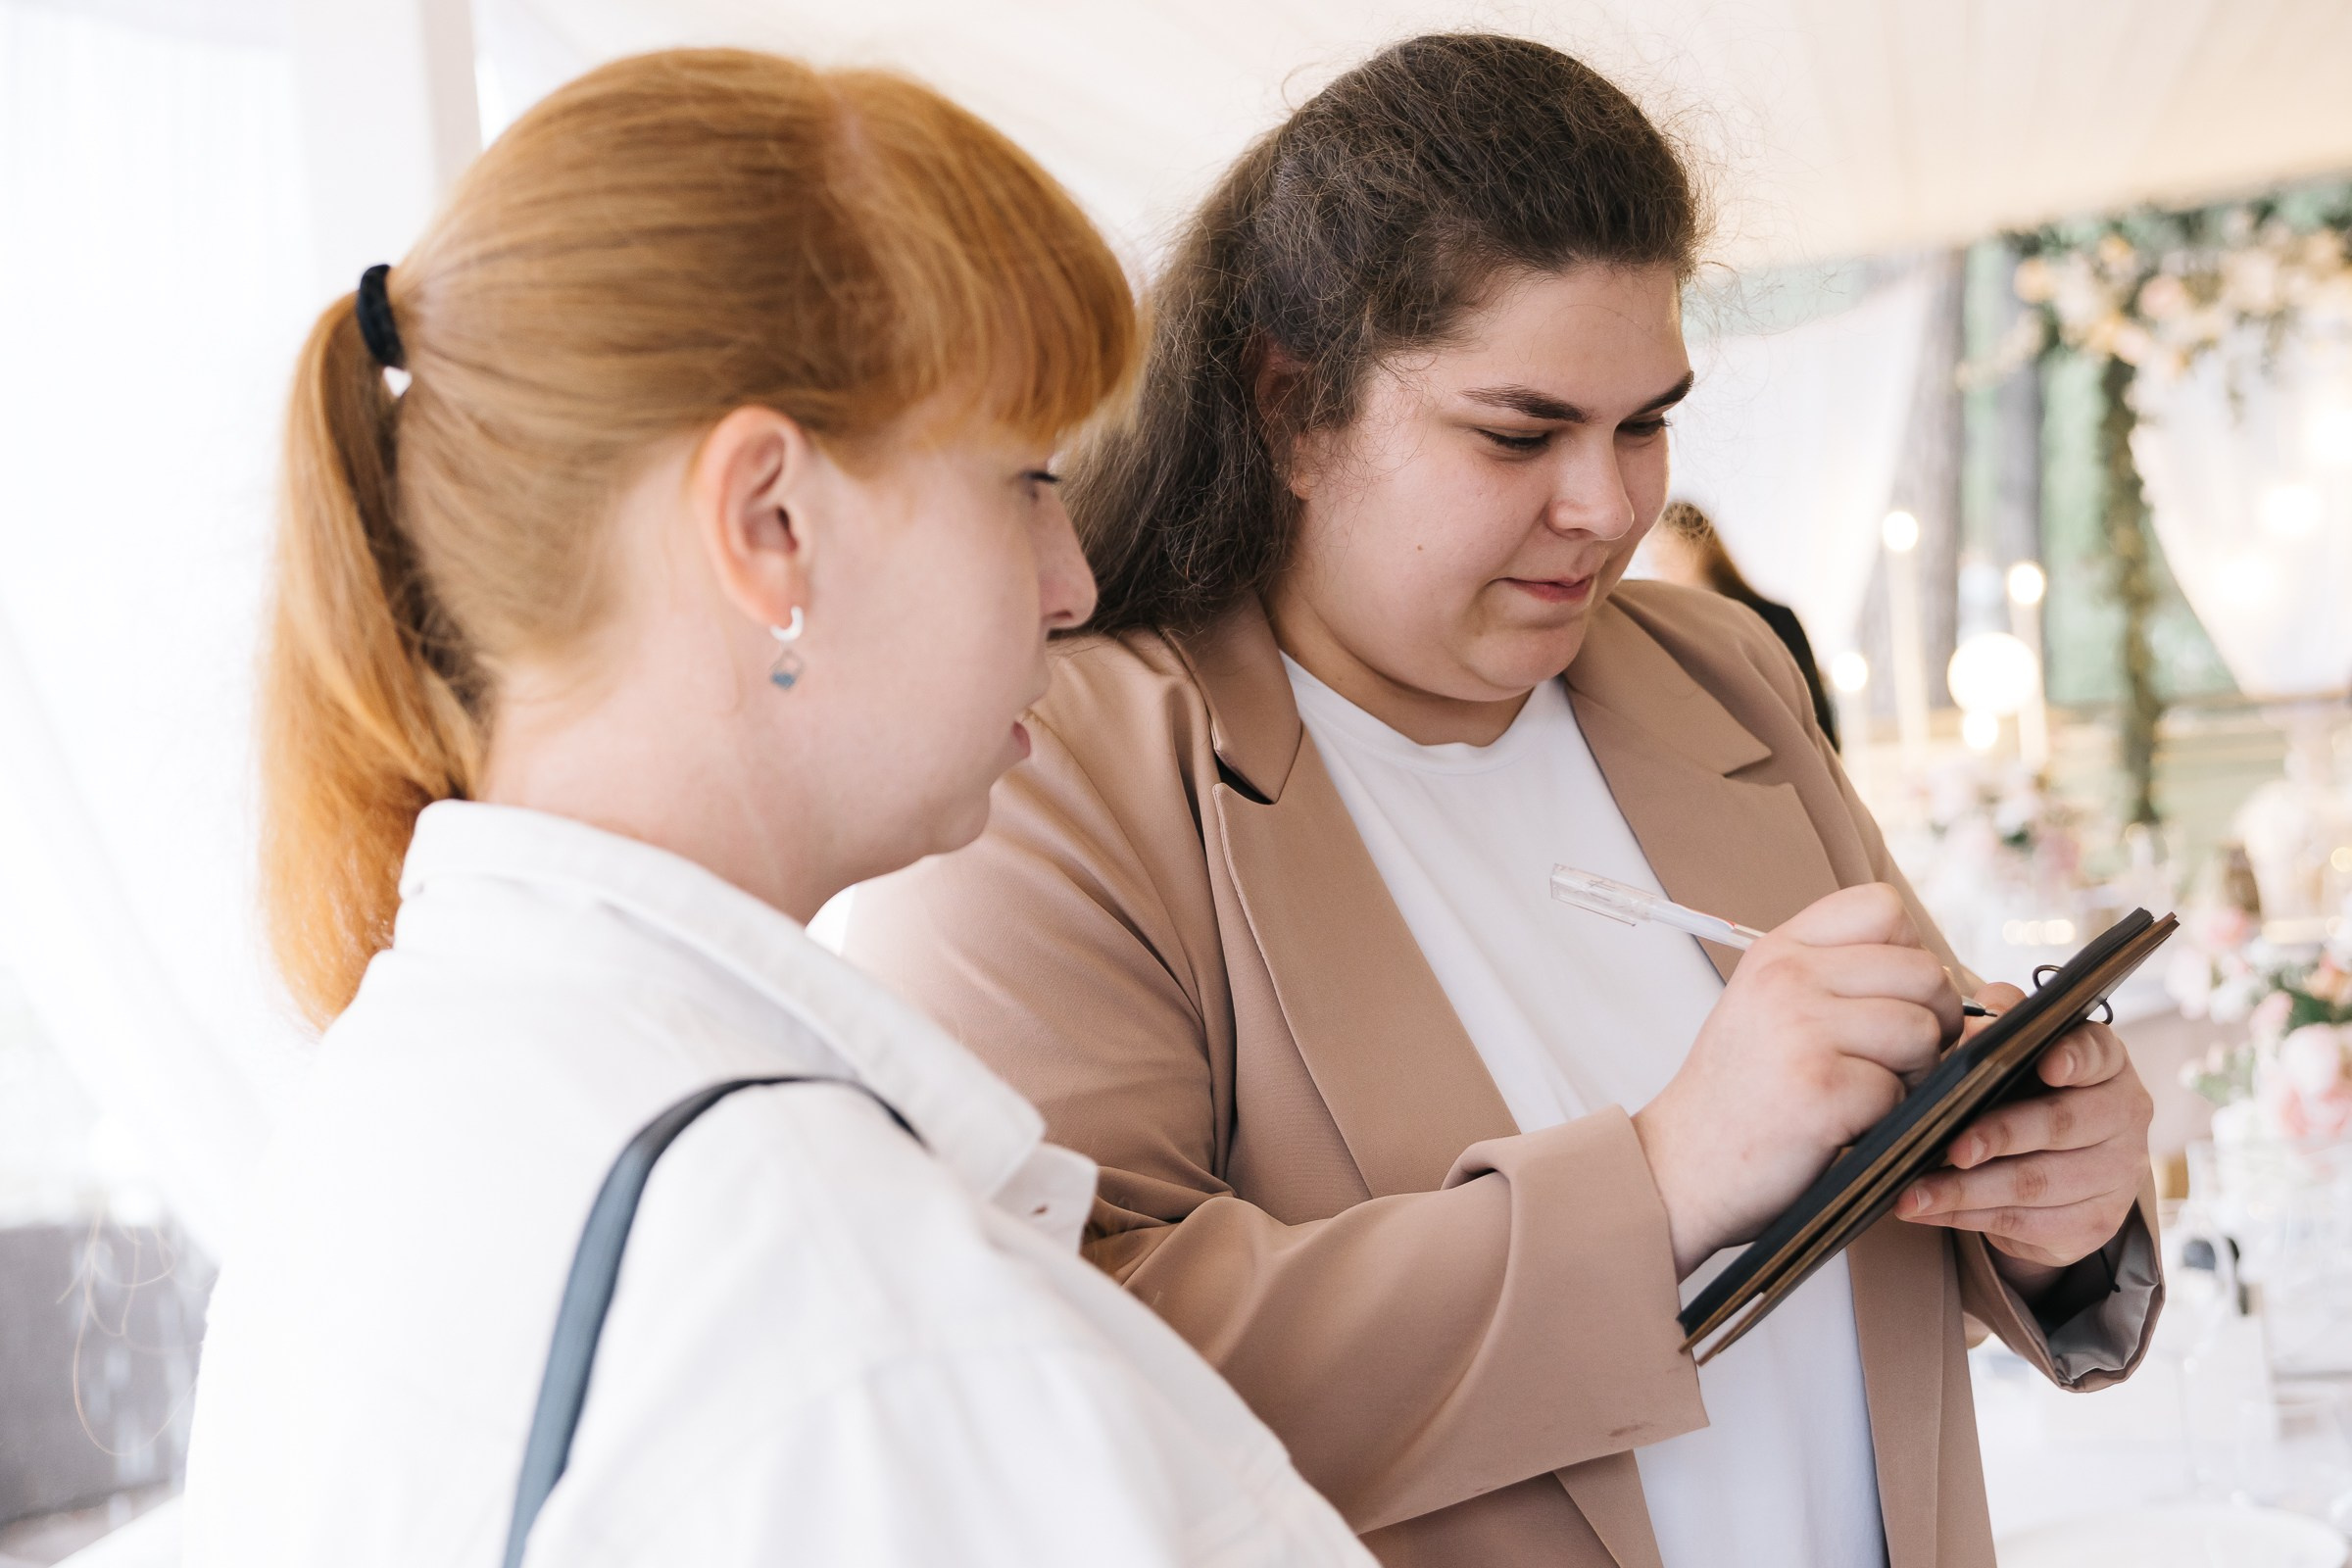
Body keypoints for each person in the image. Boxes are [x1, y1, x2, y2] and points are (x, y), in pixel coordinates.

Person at [847, 33, 2161, 1568]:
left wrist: (2055, 1211)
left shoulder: (1719, 670)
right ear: (1291, 409)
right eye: (1520, 433)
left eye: (1645, 422)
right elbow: (1075, 1362)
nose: (1608, 508)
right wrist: (1662, 1177)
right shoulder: (1064, 762)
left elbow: (1910, 1180)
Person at [182, 50, 1375, 1568]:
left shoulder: (401, 1097)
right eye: (1024, 481)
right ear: (770, 523)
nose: (1075, 584)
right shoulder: (810, 1272)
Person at [1646, 499, 1841, 749]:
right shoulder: (1666, 638)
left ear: (1700, 550)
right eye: (1657, 563)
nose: (1662, 574)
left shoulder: (1774, 618)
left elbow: (1817, 717)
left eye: (1670, 558)